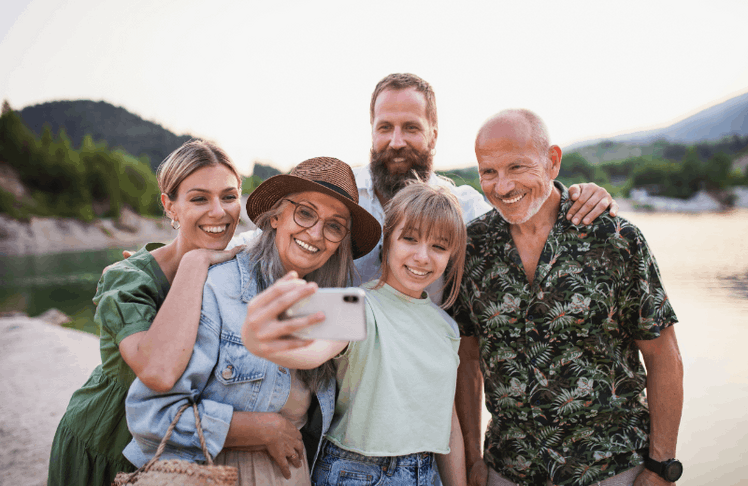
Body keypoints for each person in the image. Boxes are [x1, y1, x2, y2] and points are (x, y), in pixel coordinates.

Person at [451, 109, 684, 486]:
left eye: (517, 167)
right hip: (507, 470)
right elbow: (468, 358)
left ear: (552, 161)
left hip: (613, 469)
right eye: (488, 172)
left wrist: (661, 467)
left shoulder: (614, 239)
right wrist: (473, 457)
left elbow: (663, 355)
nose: (503, 186)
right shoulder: (471, 248)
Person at [123, 157, 382, 486]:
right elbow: (150, 416)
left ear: (339, 243)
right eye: (305, 212)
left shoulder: (333, 305)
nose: (316, 233)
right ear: (276, 216)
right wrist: (255, 428)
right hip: (215, 474)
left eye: (334, 226)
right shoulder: (219, 287)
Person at [241, 181, 471, 486]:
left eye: (438, 246)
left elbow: (448, 421)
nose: (422, 256)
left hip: (427, 474)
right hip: (357, 473)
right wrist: (259, 342)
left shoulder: (447, 327)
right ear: (389, 239)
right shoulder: (354, 303)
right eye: (410, 239)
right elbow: (310, 353)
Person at [47, 140, 245, 486]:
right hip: (106, 443)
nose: (219, 212)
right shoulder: (128, 279)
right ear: (171, 206)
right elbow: (159, 371)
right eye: (199, 198)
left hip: (182, 451)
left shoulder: (234, 268)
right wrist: (194, 263)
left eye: (229, 196)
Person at [351, 73, 620, 292]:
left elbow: (525, 211)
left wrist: (581, 195)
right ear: (372, 131)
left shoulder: (466, 209)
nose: (396, 142)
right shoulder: (342, 197)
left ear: (433, 136)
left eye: (411, 128)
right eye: (385, 127)